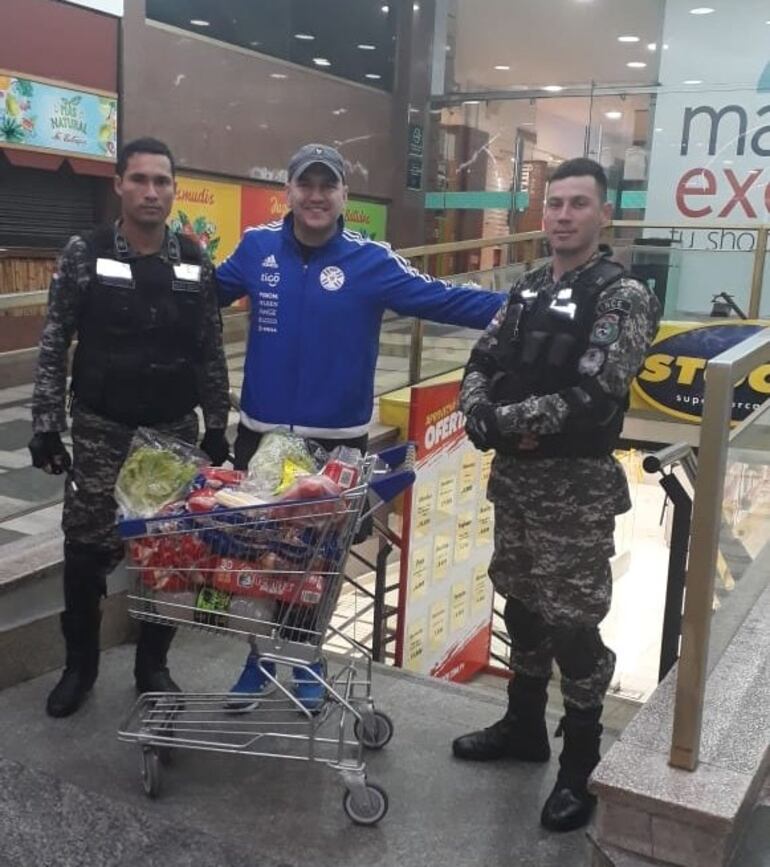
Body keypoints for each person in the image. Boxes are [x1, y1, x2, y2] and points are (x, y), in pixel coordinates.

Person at [216, 142, 504, 710]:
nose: (316, 196)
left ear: (344, 196)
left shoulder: (370, 260)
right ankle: (259, 660)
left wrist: (525, 304)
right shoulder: (256, 250)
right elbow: (201, 294)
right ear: (290, 193)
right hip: (261, 436)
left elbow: (441, 299)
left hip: (336, 444)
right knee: (259, 557)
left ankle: (303, 660)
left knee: (319, 561)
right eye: (306, 185)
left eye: (328, 186)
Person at [451, 158, 660, 832]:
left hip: (572, 487)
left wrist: (503, 420)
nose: (563, 215)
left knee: (574, 626)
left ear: (603, 215)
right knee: (522, 605)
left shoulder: (622, 296)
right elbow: (482, 358)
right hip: (515, 481)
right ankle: (522, 725)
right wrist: (475, 405)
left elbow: (595, 392)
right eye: (555, 204)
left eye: (578, 204)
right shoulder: (530, 286)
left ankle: (581, 765)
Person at [28, 137, 231, 719]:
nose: (151, 191)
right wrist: (46, 424)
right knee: (87, 554)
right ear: (118, 184)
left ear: (173, 188)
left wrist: (216, 425)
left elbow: (210, 351)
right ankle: (80, 667)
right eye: (139, 179)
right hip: (100, 430)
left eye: (161, 181)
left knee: (168, 554)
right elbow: (52, 342)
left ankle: (153, 667)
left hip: (171, 434)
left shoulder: (195, 258)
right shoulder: (83, 252)